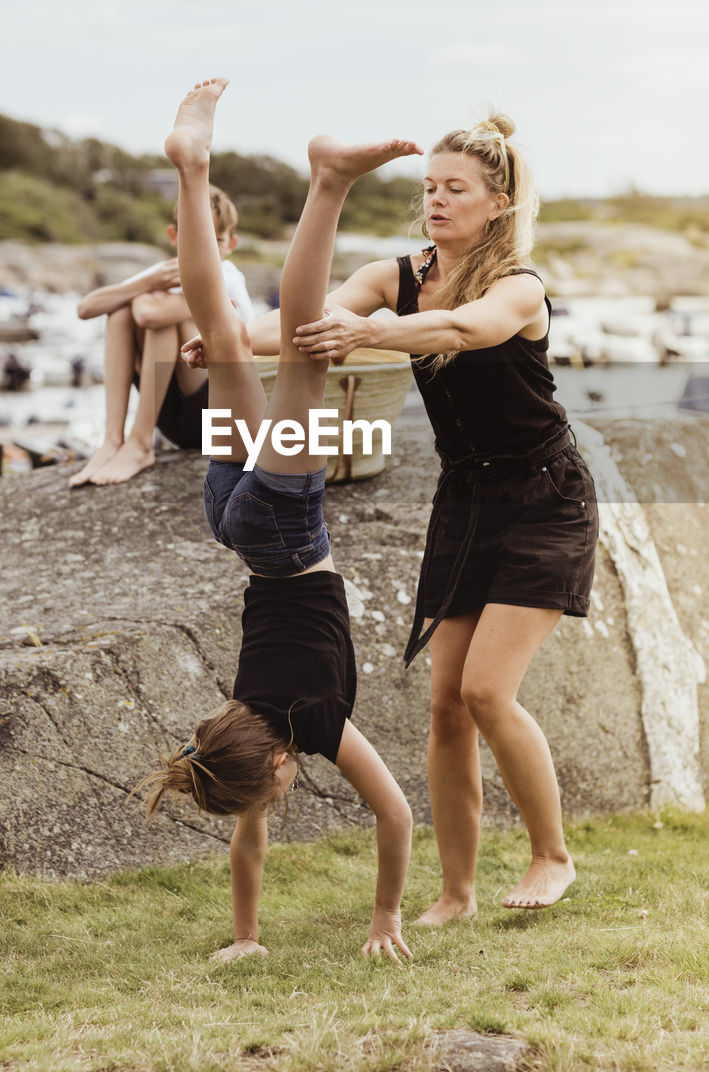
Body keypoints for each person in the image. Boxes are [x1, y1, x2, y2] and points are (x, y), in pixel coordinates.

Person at [285, 112, 598, 922]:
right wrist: (219, 344)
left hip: (543, 497)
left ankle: (550, 855)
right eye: (427, 187)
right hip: (465, 499)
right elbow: (306, 323)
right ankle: (456, 893)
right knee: (445, 704)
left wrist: (375, 331)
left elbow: (470, 329)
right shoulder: (392, 275)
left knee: (488, 691)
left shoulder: (517, 284)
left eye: (454, 188)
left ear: (496, 202)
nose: (435, 200)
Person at [143, 77, 419, 961]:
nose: (280, 796)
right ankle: (191, 171)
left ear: (270, 761)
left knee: (302, 343)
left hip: (286, 536)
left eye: (272, 790)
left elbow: (396, 814)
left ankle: (329, 182)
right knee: (224, 338)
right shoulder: (239, 712)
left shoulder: (310, 720)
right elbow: (247, 829)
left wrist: (384, 919)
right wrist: (245, 939)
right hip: (233, 527)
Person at [68, 187, 251, 486]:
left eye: (214, 241)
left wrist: (146, 293)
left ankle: (140, 443)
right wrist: (148, 283)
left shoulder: (225, 275)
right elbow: (86, 308)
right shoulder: (163, 272)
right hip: (175, 413)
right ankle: (112, 440)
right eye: (194, 238)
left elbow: (149, 316)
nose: (203, 248)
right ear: (174, 236)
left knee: (160, 319)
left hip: (220, 414)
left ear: (230, 244)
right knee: (119, 314)